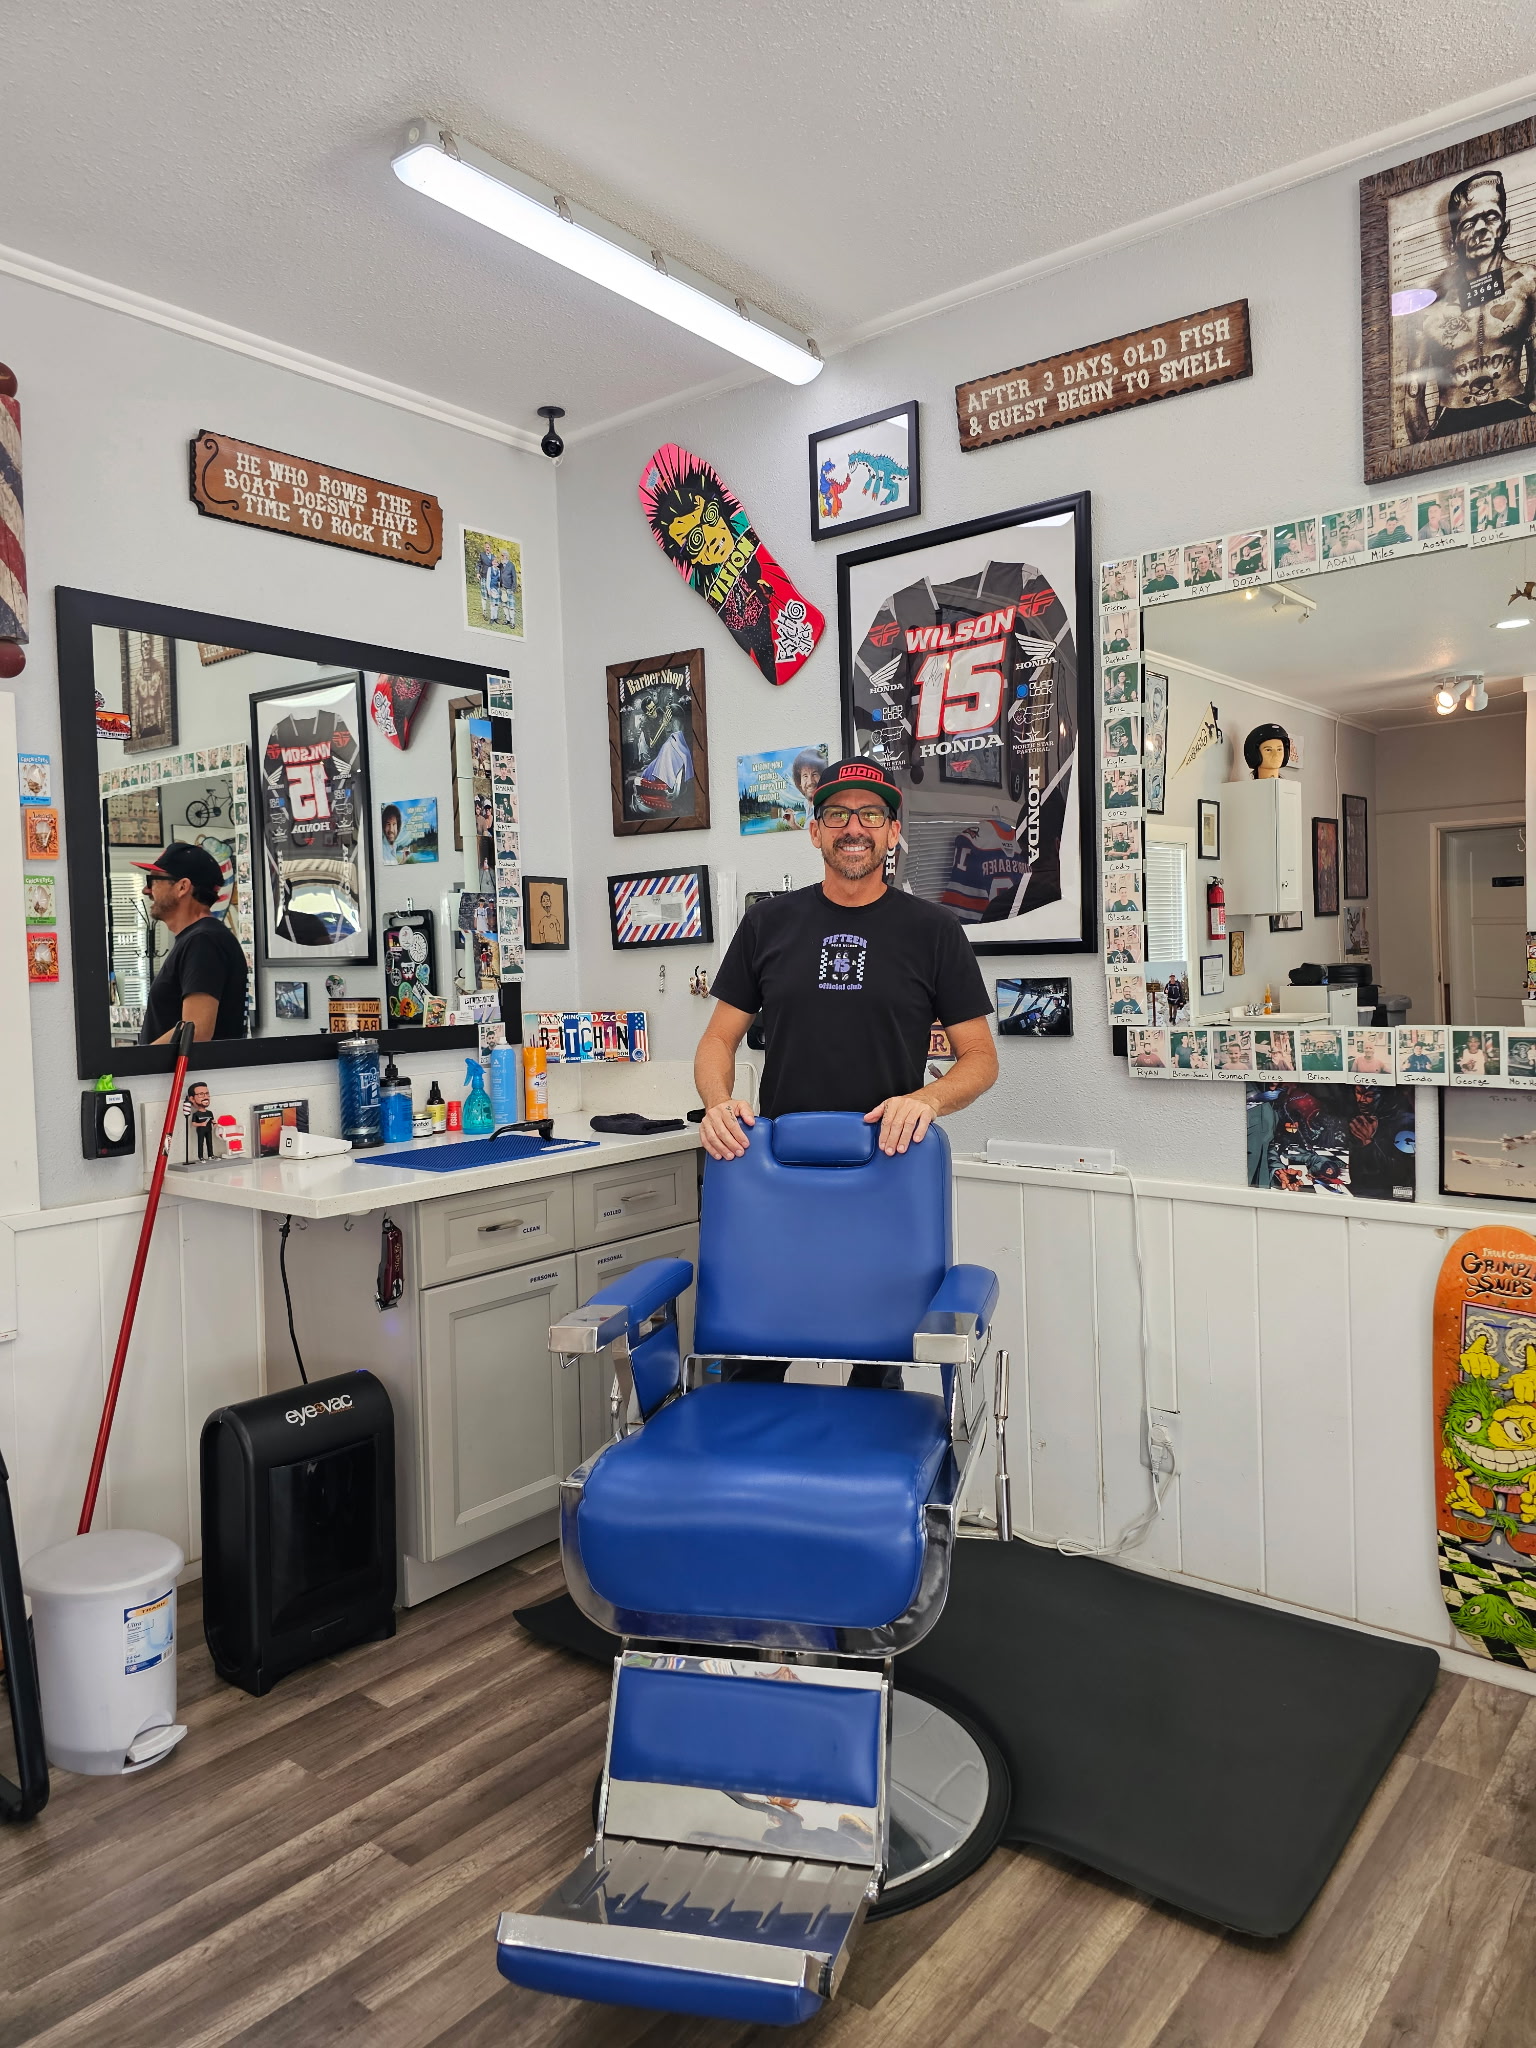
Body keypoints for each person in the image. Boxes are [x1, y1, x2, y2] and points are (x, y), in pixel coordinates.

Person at [694, 757, 998, 1166]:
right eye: (837, 814)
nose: (854, 828)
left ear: (892, 832)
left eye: (871, 814)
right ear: (816, 831)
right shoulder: (765, 923)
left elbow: (981, 1056)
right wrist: (718, 1104)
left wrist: (928, 1099)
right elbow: (717, 1039)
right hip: (784, 1159)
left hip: (890, 1157)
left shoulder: (934, 930)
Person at [1405, 169, 1536, 442]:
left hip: (1516, 410)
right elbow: (1413, 393)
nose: (1481, 230)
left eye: (1491, 217)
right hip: (1452, 419)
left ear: (1506, 227)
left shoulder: (1528, 283)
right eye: (1468, 223)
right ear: (1453, 242)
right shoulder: (1429, 303)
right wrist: (1422, 454)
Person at [135, 843, 248, 1043]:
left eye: (152, 881)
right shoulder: (198, 939)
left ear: (182, 887)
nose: (146, 890)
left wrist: (135, 1065)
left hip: (192, 1074)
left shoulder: (204, 941)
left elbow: (195, 1030)